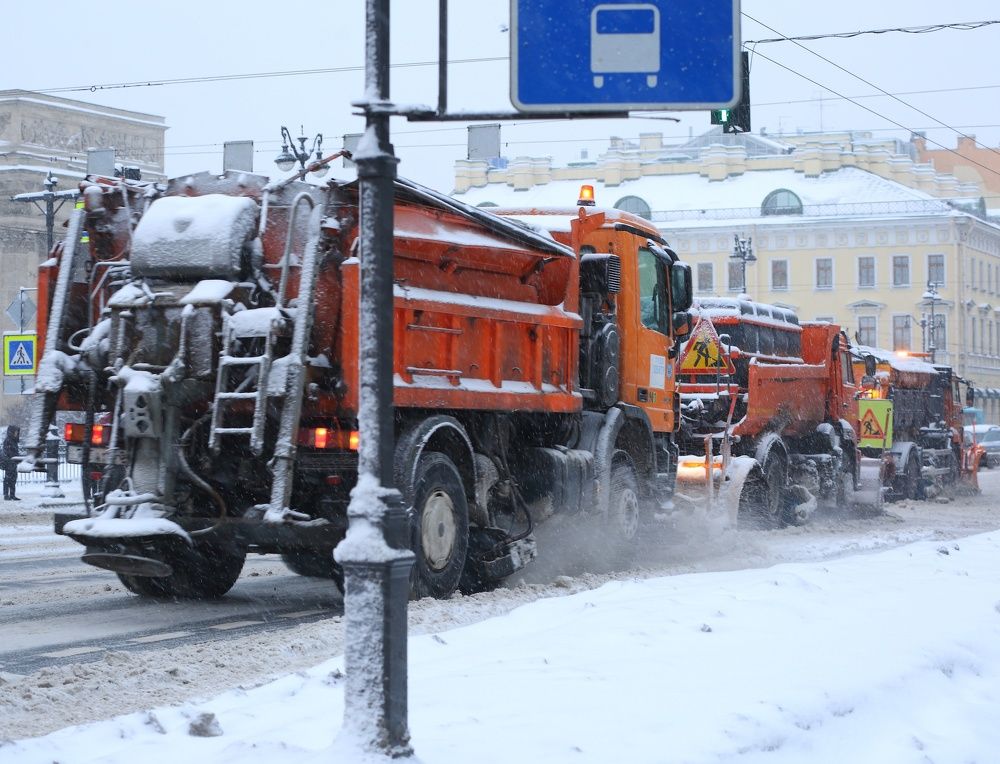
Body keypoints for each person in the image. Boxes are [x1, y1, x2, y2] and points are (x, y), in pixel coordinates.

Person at [2, 425, 21, 501]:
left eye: (17, 432)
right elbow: (8, 452)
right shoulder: (8, 440)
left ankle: (12, 495)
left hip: (13, 462)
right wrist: (14, 457)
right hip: (8, 462)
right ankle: (6, 495)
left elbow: (14, 452)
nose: (16, 433)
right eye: (15, 432)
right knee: (8, 479)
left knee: (13, 479)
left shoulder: (14, 441)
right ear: (12, 432)